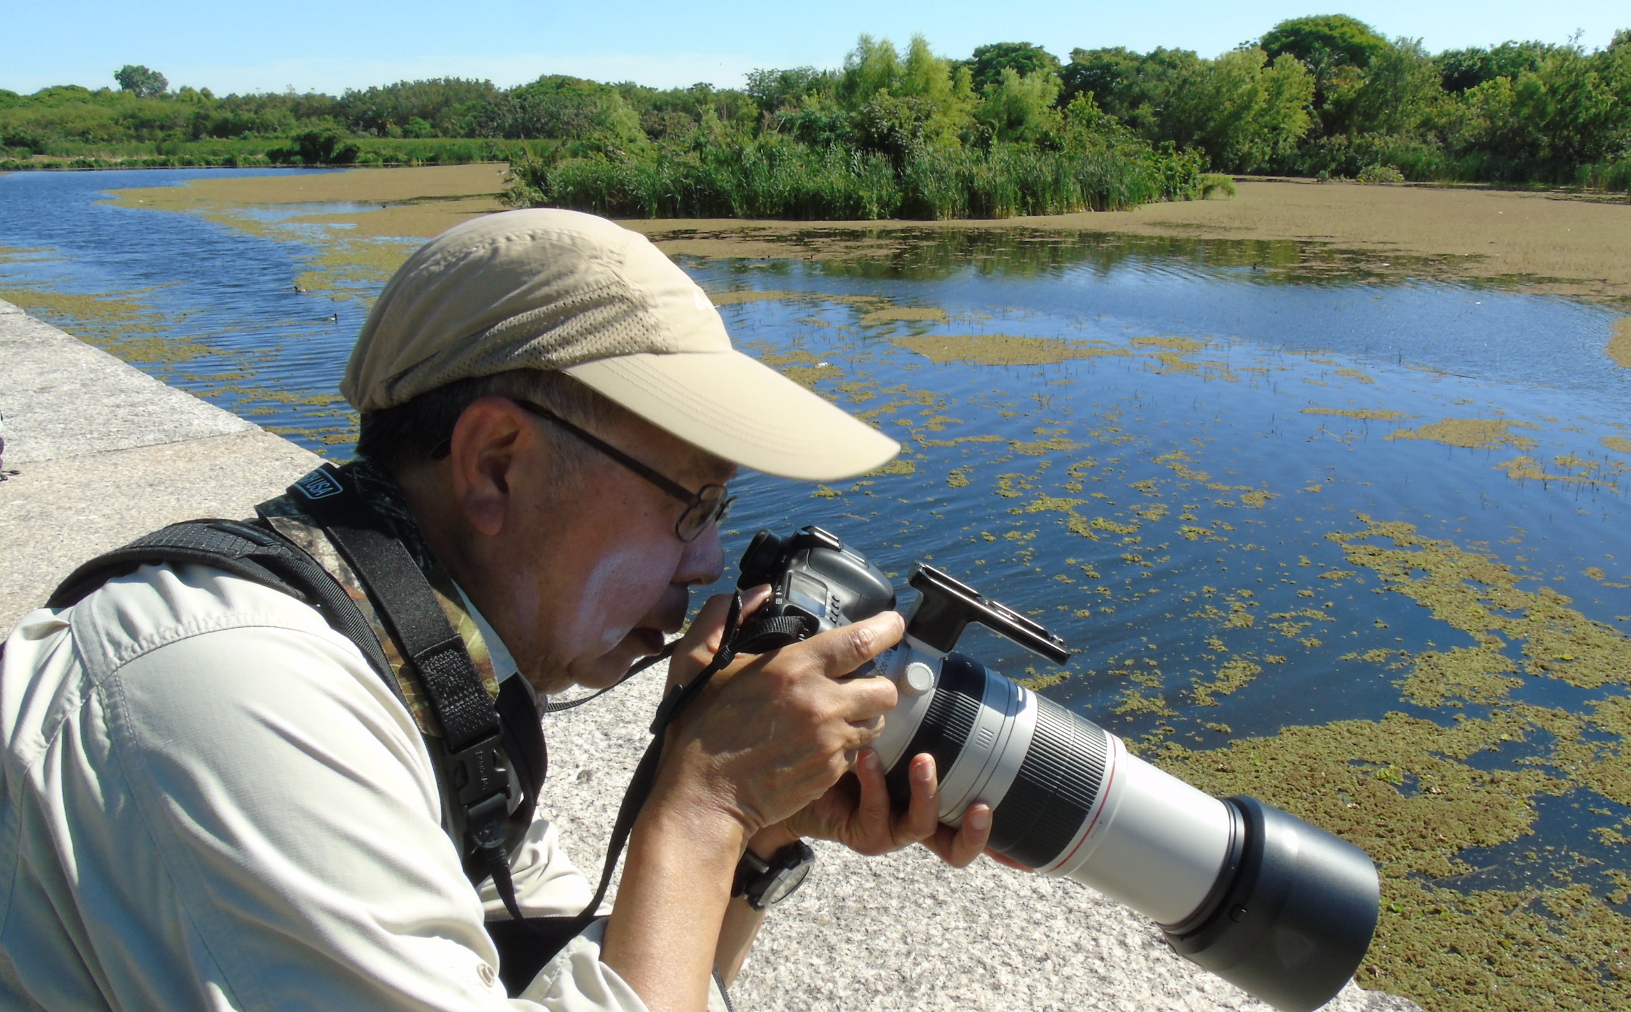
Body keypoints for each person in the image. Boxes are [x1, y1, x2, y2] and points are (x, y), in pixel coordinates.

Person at [0, 209, 999, 1011]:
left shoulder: (431, 676)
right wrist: (706, 802)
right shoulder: (237, 696)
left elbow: (602, 976)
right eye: (689, 501)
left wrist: (755, 833)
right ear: (494, 465)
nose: (707, 560)